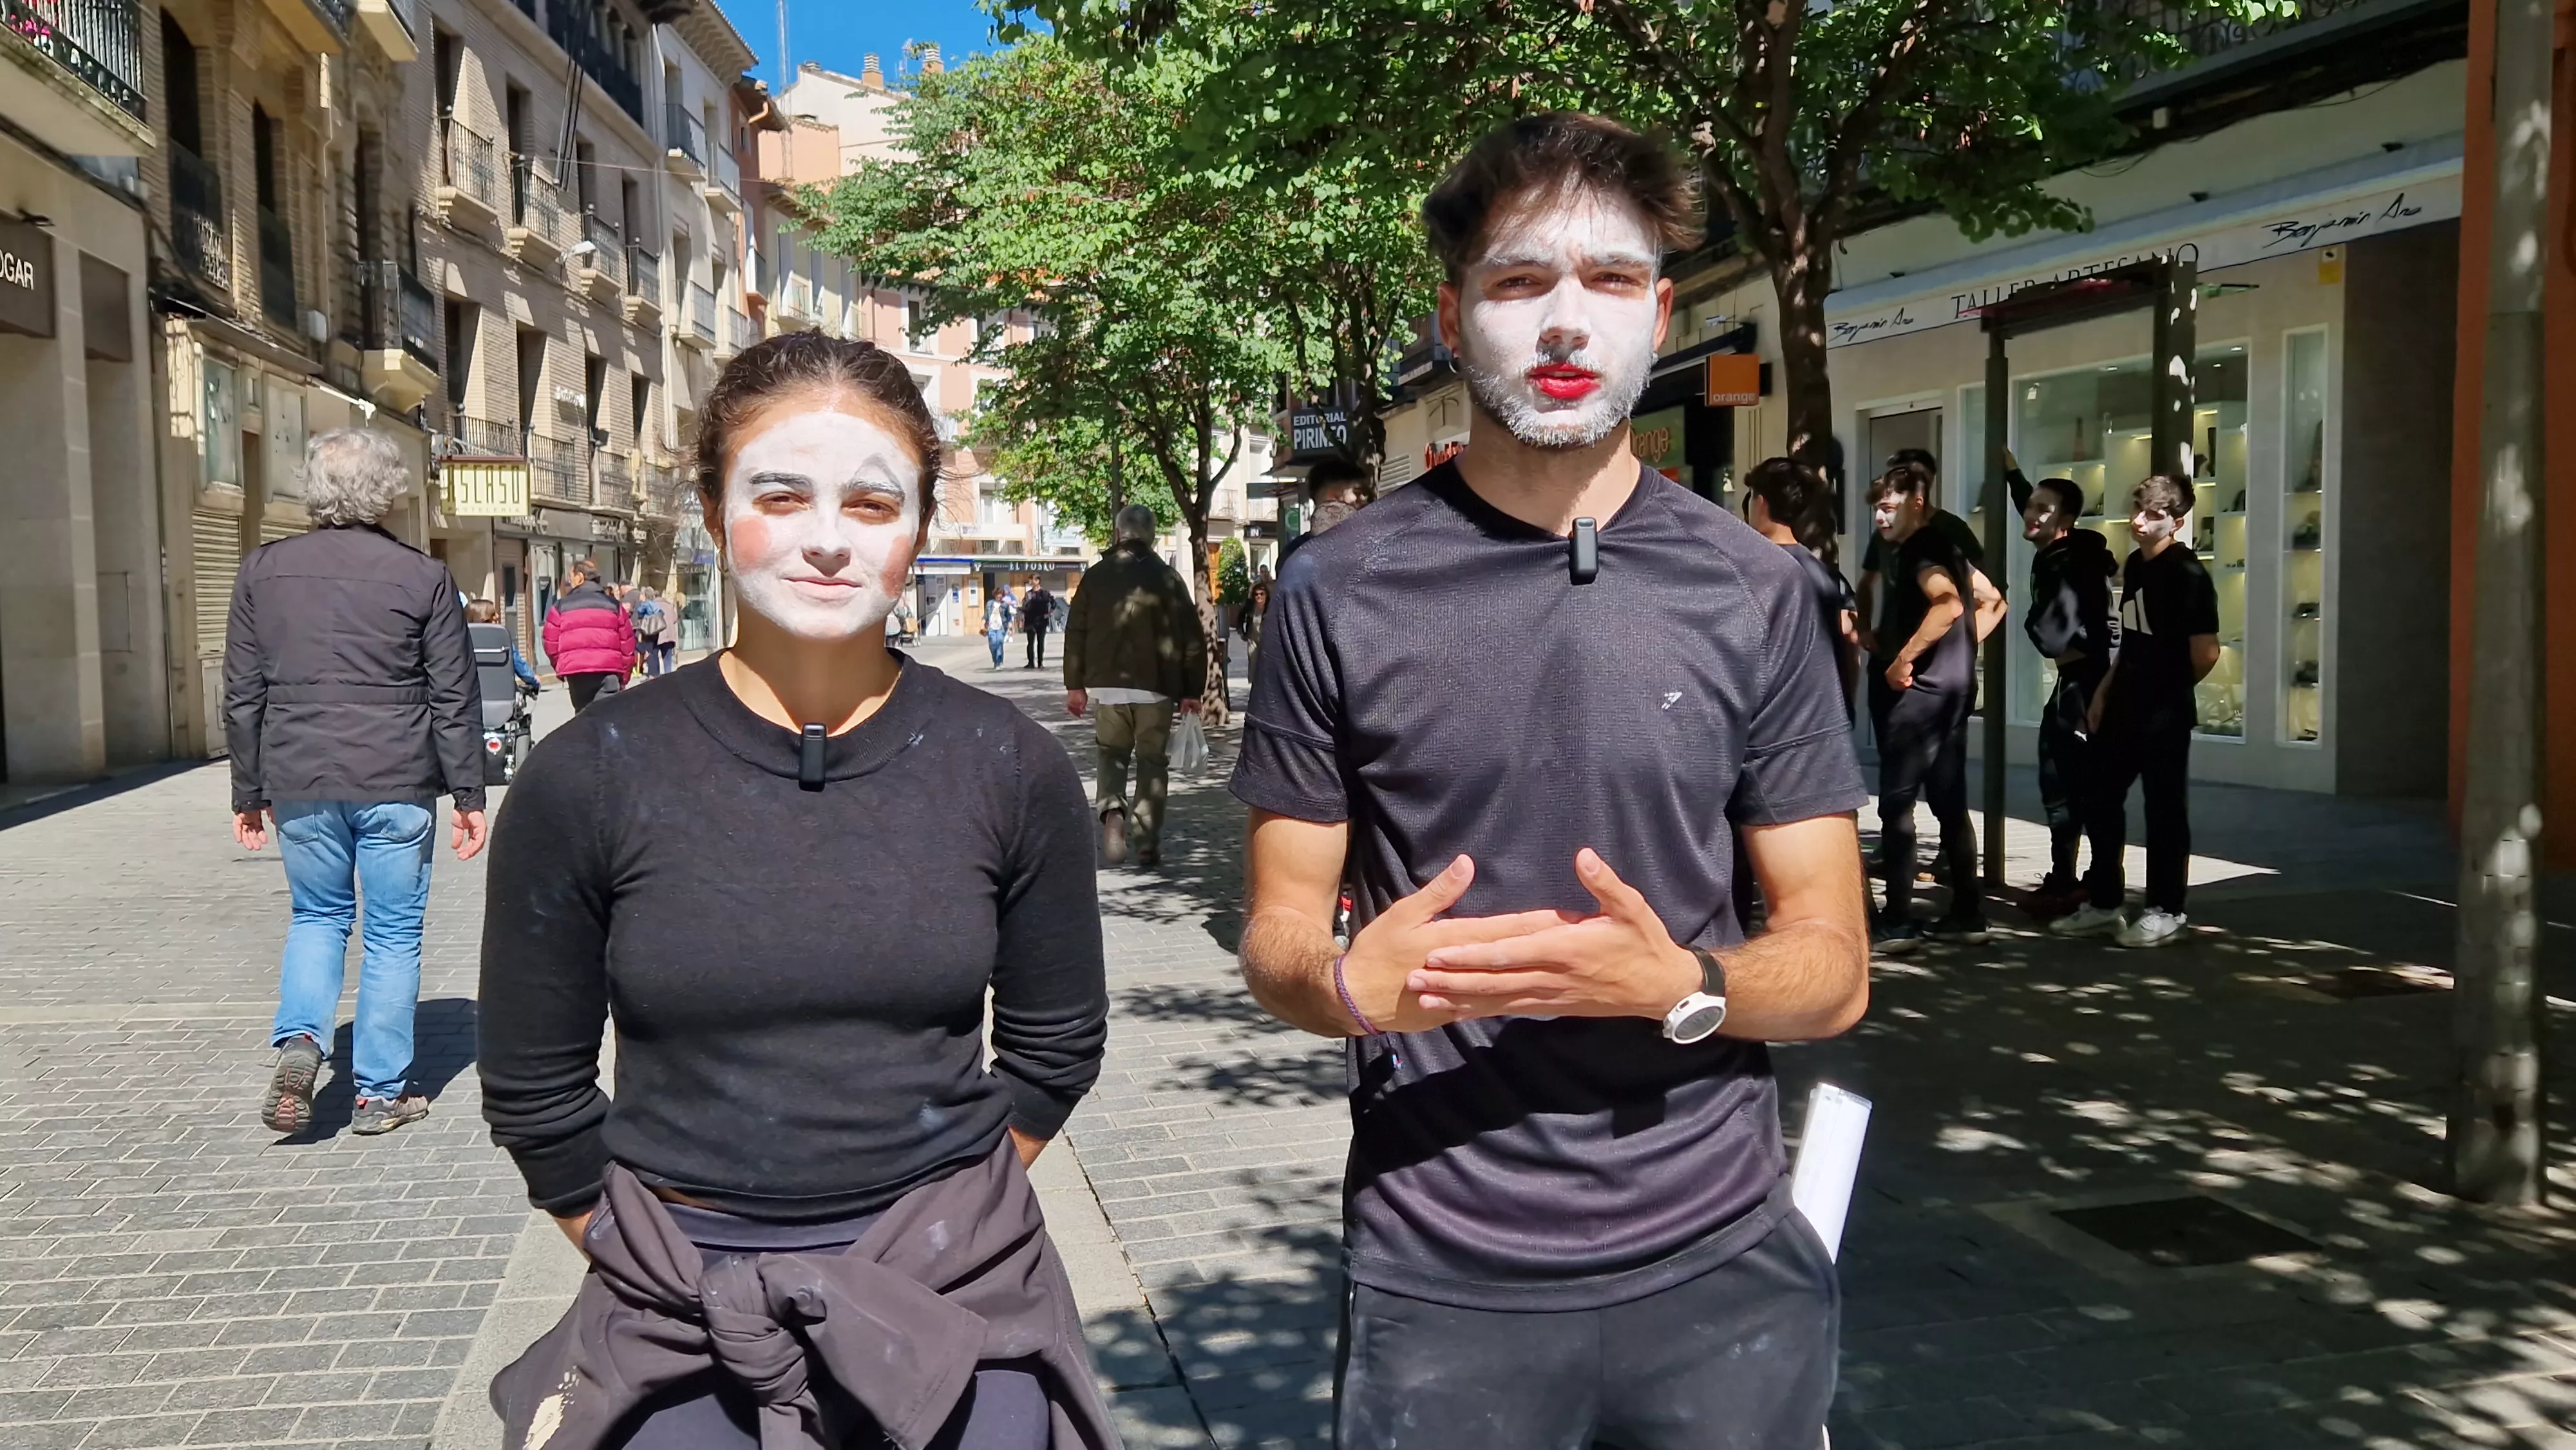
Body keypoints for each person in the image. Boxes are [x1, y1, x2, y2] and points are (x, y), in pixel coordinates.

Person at [1233, 113, 1869, 1450]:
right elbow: (1279, 935)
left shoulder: (1756, 590)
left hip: (1720, 1258)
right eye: (1522, 282)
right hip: (1438, 1263)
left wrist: (1683, 987)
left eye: (1611, 282)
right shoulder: (1333, 590)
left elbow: (1831, 967)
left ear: (1659, 315)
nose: (1566, 323)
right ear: (1454, 314)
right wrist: (1345, 987)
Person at [477, 333, 1115, 1450]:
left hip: (955, 1292)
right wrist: (665, 1261)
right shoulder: (589, 774)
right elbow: (536, 1087)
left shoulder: (1010, 765)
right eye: (780, 493)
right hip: (675, 1302)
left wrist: (931, 1229)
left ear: (917, 525)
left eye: (873, 503)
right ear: (716, 508)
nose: (827, 539)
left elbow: (1056, 1042)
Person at [225, 428, 490, 1138]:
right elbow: (453, 695)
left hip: (301, 774)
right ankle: (378, 1093)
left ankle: (303, 1042)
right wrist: (469, 794)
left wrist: (247, 791)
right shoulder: (422, 576)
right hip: (397, 777)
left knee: (317, 915)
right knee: (394, 932)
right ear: (387, 491)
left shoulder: (262, 570)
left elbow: (243, 693)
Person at [2053, 473, 2221, 948]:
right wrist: (2105, 691)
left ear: (2177, 521)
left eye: (2153, 514)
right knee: (2100, 797)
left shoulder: (2186, 573)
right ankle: (2106, 903)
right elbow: (2131, 639)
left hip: (2163, 714)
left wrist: (2167, 690)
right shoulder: (2135, 566)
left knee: (2164, 809)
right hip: (2123, 704)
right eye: (2138, 510)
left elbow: (2206, 651)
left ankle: (2167, 909)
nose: (2139, 521)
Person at [1867, 460, 2007, 954]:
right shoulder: (1947, 545)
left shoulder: (1920, 551)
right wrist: (1964, 650)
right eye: (1877, 511)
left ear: (1916, 502)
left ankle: (1899, 920)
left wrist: (1905, 659)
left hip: (1922, 694)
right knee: (1949, 802)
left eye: (1888, 508)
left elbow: (1947, 604)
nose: (1881, 520)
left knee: (1897, 804)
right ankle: (1968, 913)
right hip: (1953, 693)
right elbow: (1993, 601)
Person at [1063, 504, 1207, 870]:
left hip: (1108, 689)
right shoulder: (1170, 579)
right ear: (1152, 535)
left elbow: (1075, 631)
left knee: (1111, 754)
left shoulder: (1096, 576)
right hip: (1157, 689)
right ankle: (1146, 839)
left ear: (1118, 534)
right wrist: (1193, 690)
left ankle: (1112, 809)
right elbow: (1192, 638)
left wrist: (1075, 686)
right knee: (1152, 762)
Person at [2016, 476, 2121, 916]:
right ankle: (2073, 879)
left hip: (2086, 682)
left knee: (2070, 784)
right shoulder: (2069, 550)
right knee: (2068, 782)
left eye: (2044, 508)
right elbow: (2035, 505)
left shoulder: (2066, 564)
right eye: (2030, 504)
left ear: (2065, 521)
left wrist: (2031, 624)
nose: (2032, 512)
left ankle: (2085, 887)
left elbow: (2053, 636)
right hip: (2080, 678)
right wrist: (2011, 472)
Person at [1744, 457, 1859, 708]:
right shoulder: (1825, 574)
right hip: (1825, 713)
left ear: (1760, 503)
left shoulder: (1752, 571)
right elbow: (1850, 637)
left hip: (1778, 723)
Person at [1853, 447, 1984, 657]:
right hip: (1890, 653)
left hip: (1936, 663)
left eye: (1915, 475)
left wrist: (1960, 646)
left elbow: (1988, 596)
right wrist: (1864, 628)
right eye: (1899, 475)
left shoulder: (1950, 529)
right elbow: (1867, 582)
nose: (1906, 480)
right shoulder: (1884, 534)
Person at [543, 557, 636, 710]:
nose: (569, 583)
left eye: (570, 578)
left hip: (577, 673)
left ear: (580, 578)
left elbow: (550, 642)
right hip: (609, 671)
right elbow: (627, 643)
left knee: (583, 719)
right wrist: (624, 677)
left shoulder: (561, 606)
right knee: (608, 719)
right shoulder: (613, 605)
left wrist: (562, 666)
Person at [1276, 457, 1371, 572]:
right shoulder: (1296, 556)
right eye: (1357, 492)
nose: (1364, 499)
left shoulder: (1370, 547)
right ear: (1332, 497)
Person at [466, 598, 542, 693]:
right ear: (482, 617)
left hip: (469, 694)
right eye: (493, 614)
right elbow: (519, 665)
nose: (498, 616)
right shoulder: (501, 637)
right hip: (502, 694)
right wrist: (534, 680)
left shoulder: (462, 638)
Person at [630, 586, 674, 677]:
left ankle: (653, 674)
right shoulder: (657, 605)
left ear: (645, 595)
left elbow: (639, 611)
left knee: (648, 650)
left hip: (648, 630)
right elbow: (661, 612)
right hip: (657, 631)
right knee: (657, 652)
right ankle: (665, 674)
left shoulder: (646, 604)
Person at [1020, 583, 1056, 670]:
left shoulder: (1045, 593)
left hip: (1041, 620)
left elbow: (1054, 603)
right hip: (1030, 620)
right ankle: (1031, 663)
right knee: (1030, 642)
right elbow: (1024, 607)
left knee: (1041, 642)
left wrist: (1049, 614)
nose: (1031, 583)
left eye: (1032, 580)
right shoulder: (1028, 594)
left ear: (1038, 581)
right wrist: (1023, 615)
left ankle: (1040, 662)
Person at [985, 587, 1015, 669]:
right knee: (993, 645)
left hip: (1001, 628)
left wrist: (1010, 627)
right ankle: (995, 660)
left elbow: (1008, 617)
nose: (999, 597)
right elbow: (986, 616)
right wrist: (983, 626)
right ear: (995, 595)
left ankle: (999, 662)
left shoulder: (1005, 605)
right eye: (998, 595)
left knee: (999, 643)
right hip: (991, 628)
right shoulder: (990, 604)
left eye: (1001, 595)